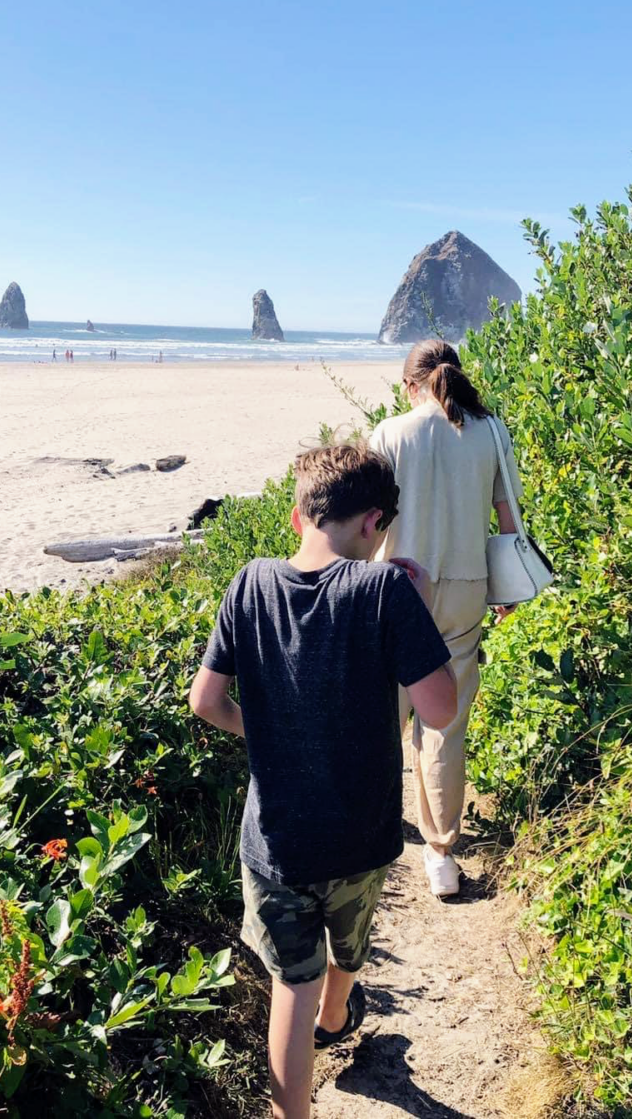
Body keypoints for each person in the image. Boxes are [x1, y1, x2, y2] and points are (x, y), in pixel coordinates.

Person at [189, 444, 457, 1119]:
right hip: (360, 836)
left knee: (291, 989)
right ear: (375, 524)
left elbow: (206, 702)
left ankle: (305, 1079)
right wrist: (414, 609)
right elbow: (439, 709)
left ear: (296, 516)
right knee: (349, 945)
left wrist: (270, 731)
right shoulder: (386, 590)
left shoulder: (249, 584)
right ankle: (339, 1017)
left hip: (276, 840)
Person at [368, 338, 524, 899]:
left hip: (398, 584)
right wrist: (506, 586)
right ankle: (440, 855)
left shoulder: (390, 433)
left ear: (410, 384)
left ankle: (373, 827)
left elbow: (371, 518)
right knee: (444, 725)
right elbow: (508, 515)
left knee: (381, 709)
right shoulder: (490, 430)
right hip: (465, 587)